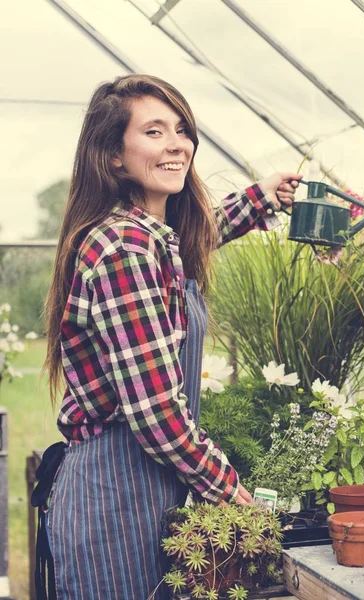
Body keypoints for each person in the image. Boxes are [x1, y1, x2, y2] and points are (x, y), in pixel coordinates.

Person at [37, 74, 301, 600]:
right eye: (154, 132)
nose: (176, 143)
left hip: (147, 488)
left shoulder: (152, 239)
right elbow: (157, 412)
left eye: (181, 129)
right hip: (114, 498)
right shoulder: (125, 250)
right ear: (113, 154)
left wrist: (259, 199)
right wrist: (229, 489)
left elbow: (195, 237)